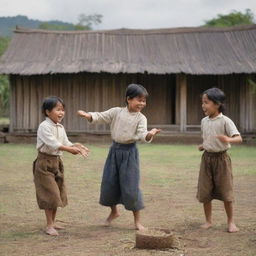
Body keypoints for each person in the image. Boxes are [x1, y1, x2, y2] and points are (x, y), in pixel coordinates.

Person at [77, 84, 160, 230]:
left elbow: (142, 134)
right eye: (139, 100)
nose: (142, 103)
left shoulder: (141, 118)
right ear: (128, 99)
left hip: (129, 154)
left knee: (131, 186)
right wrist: (89, 115)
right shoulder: (116, 112)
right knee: (110, 183)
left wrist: (149, 134)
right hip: (114, 152)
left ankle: (137, 221)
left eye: (144, 101)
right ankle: (113, 212)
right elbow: (101, 116)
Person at [33, 96, 89, 236]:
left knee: (57, 193)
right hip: (44, 163)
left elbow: (65, 141)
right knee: (49, 194)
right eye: (58, 109)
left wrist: (75, 145)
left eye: (63, 110)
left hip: (57, 162)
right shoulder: (44, 126)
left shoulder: (60, 127)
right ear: (47, 112)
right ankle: (49, 225)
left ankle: (53, 221)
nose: (61, 113)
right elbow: (53, 143)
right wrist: (70, 150)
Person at [197, 87, 242, 233]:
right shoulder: (204, 121)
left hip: (221, 160)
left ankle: (231, 222)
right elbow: (208, 137)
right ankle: (208, 221)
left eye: (206, 102)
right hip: (207, 159)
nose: (203, 105)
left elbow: (239, 138)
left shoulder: (225, 121)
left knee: (226, 192)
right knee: (205, 191)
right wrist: (204, 146)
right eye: (202, 102)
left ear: (217, 104)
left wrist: (228, 139)